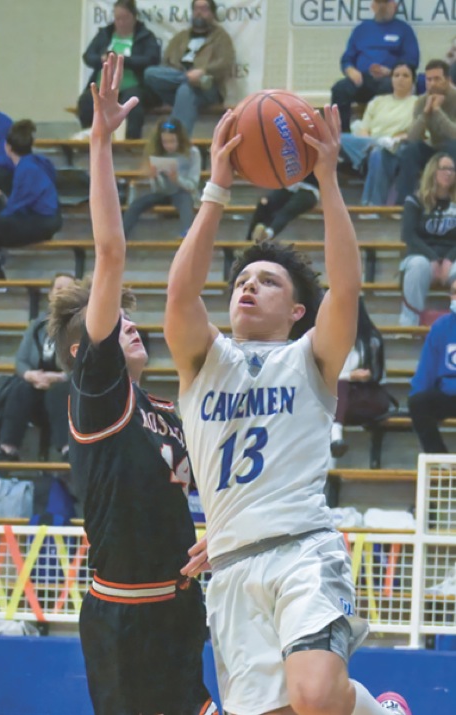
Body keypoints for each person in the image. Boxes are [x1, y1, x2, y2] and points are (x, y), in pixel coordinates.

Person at [164, 106, 412, 715]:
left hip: (303, 548)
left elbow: (346, 290)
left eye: (268, 281)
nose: (248, 286)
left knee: (316, 694)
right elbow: (180, 292)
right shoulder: (202, 358)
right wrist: (216, 187)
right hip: (231, 565)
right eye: (242, 280)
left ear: (298, 311)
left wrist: (327, 179)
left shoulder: (311, 359)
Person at [47, 54, 217, 715]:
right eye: (116, 321)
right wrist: (100, 142)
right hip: (125, 621)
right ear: (81, 350)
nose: (131, 325)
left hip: (180, 608)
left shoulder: (165, 412)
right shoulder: (97, 395)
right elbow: (111, 253)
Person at [0, 119, 62, 280]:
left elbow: (15, 209)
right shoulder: (39, 161)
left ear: (7, 147)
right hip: (48, 218)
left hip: (40, 222)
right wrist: (1, 196)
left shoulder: (25, 169)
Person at [0, 273, 75, 462]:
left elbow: (86, 365)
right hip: (37, 389)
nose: (63, 293)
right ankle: (7, 449)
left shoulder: (81, 325)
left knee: (59, 391)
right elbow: (21, 360)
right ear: (50, 294)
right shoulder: (37, 325)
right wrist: (30, 375)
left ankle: (67, 450)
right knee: (20, 387)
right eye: (59, 289)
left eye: (70, 290)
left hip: (67, 390)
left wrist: (61, 377)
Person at [143, 0, 235, 135]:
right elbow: (166, 62)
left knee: (186, 90)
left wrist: (203, 71)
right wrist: (186, 76)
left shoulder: (221, 37)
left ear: (212, 14)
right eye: (196, 9)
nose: (199, 13)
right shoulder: (181, 37)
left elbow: (225, 64)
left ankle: (175, 141)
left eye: (204, 9)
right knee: (150, 73)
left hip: (207, 87)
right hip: (177, 83)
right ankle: (186, 79)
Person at [331, 0, 419, 133]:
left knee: (390, 86)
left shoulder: (404, 30)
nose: (382, 6)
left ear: (394, 6)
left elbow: (412, 60)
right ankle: (341, 134)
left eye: (386, 3)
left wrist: (392, 72)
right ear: (373, 6)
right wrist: (351, 70)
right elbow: (347, 59)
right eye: (379, 2)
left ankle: (383, 132)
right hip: (362, 79)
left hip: (389, 79)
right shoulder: (361, 29)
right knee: (339, 89)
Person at [77, 0, 160, 139]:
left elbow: (152, 59)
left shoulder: (145, 36)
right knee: (86, 101)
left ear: (134, 17)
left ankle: (130, 142)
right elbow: (88, 56)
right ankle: (93, 139)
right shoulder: (105, 34)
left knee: (132, 103)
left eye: (125, 18)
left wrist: (122, 60)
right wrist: (102, 59)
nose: (121, 22)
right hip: (104, 87)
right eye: (117, 18)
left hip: (133, 86)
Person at [339, 63, 417, 206]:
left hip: (396, 148)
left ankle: (372, 205)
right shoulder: (377, 102)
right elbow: (364, 130)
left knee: (379, 153)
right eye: (396, 75)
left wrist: (395, 139)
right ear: (391, 79)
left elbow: (418, 134)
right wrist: (372, 142)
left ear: (413, 80)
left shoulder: (417, 103)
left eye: (405, 76)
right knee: (337, 139)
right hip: (369, 144)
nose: (400, 79)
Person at [399, 152, 456, 326]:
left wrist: (449, 259)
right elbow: (408, 235)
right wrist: (432, 258)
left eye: (452, 169)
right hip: (421, 256)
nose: (449, 173)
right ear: (433, 171)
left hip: (452, 260)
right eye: (444, 168)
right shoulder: (415, 200)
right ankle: (408, 325)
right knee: (417, 266)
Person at [123, 116, 200, 238]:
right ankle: (121, 235)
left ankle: (188, 236)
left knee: (186, 203)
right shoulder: (157, 153)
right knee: (136, 204)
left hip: (183, 192)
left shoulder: (192, 153)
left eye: (172, 141)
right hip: (163, 192)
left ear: (180, 139)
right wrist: (154, 177)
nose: (169, 145)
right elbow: (157, 189)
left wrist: (177, 180)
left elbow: (193, 185)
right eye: (165, 142)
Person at [331, 298, 389, 458]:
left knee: (340, 385)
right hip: (341, 400)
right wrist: (351, 375)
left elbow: (377, 375)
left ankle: (335, 434)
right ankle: (335, 438)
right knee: (339, 386)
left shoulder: (372, 340)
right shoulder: (331, 337)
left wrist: (352, 376)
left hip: (369, 397)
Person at [396, 59, 456, 204]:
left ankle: (451, 202)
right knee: (410, 149)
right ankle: (406, 203)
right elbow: (411, 137)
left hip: (452, 149)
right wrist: (425, 113)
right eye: (429, 80)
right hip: (434, 149)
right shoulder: (422, 101)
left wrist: (437, 111)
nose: (432, 84)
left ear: (448, 80)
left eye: (437, 79)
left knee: (453, 146)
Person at [408, 278, 456, 453]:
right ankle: (440, 460)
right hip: (448, 393)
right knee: (418, 403)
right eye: (454, 292)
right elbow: (426, 370)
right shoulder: (441, 327)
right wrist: (416, 396)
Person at [246, 174, 319, 242]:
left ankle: (266, 235)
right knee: (264, 202)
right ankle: (250, 239)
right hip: (290, 185)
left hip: (310, 189)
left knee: (288, 209)